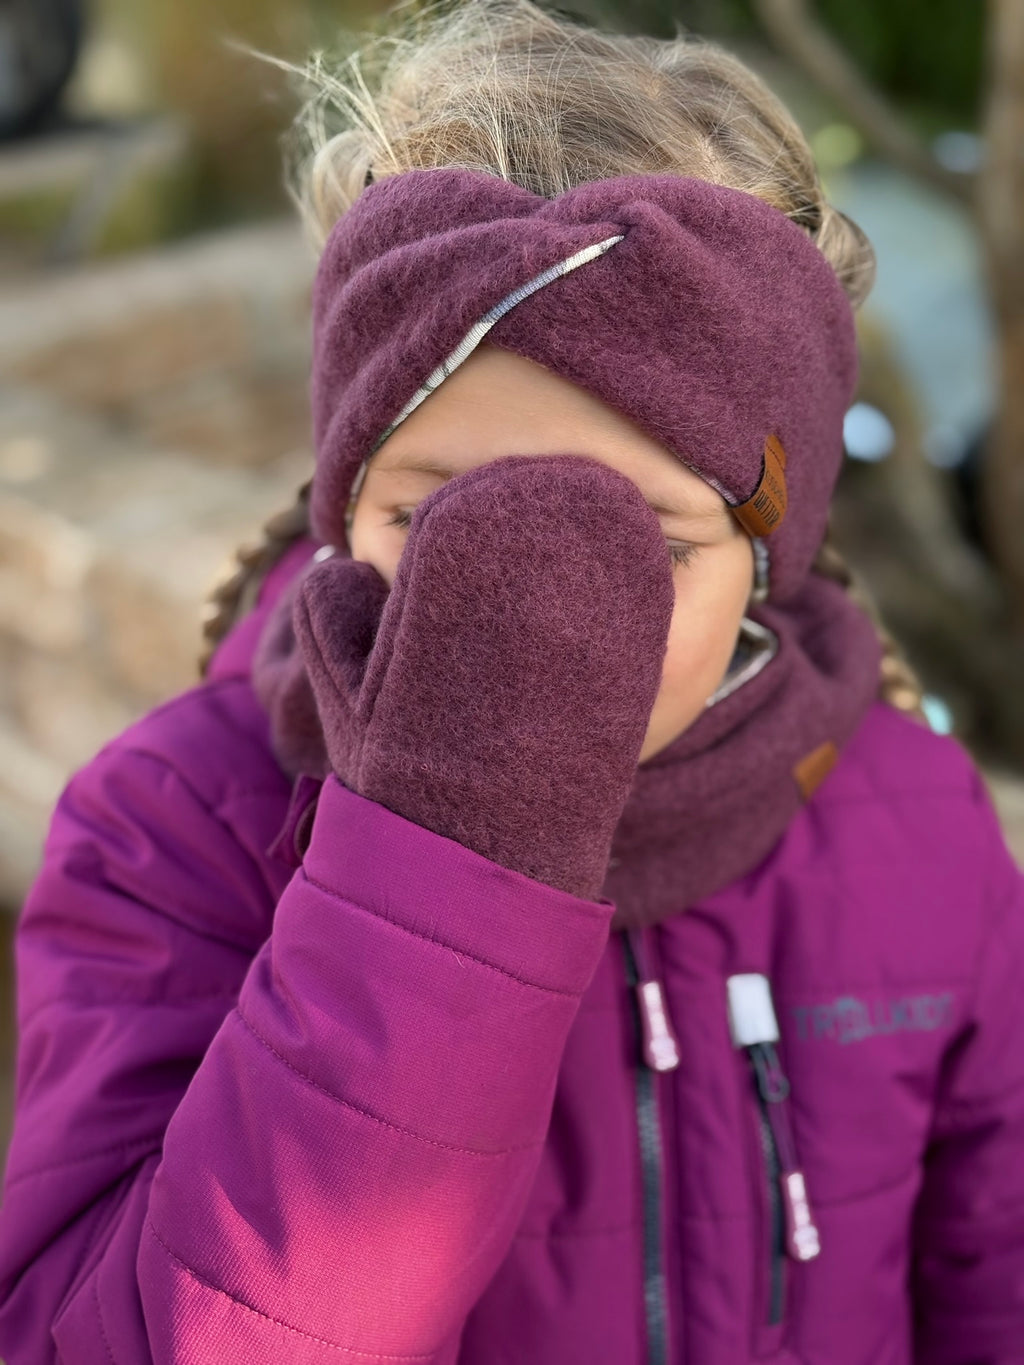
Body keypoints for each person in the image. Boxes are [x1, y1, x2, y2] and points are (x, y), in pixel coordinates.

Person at [1, 2, 1022, 1361]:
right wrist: (445, 856)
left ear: (775, 554)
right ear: (339, 507)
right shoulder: (169, 829)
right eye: (437, 523)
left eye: (646, 541)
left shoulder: (919, 825)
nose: (537, 623)